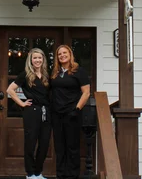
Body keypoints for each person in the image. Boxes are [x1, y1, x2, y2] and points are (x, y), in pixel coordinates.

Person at [7, 48, 52, 179]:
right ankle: (30, 173)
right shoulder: (25, 75)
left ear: (43, 59)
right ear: (30, 60)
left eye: (40, 58)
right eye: (35, 58)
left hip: (46, 112)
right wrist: (21, 103)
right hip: (32, 112)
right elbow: (10, 90)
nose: (37, 60)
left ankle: (38, 172)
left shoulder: (46, 75)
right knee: (30, 143)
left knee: (44, 143)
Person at [50, 44, 90, 179]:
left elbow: (86, 93)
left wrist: (76, 109)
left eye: (64, 53)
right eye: (59, 54)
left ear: (70, 54)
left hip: (72, 114)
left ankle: (72, 175)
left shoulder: (79, 71)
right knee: (59, 147)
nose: (62, 55)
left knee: (72, 147)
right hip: (57, 114)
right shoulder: (55, 72)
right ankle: (61, 175)